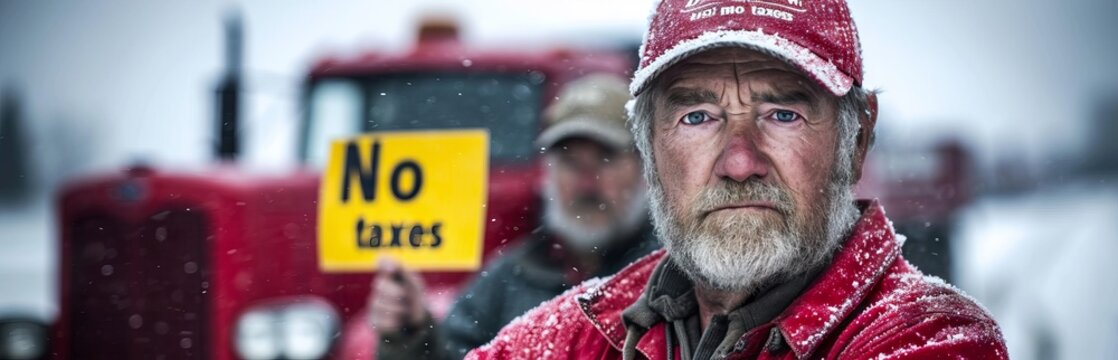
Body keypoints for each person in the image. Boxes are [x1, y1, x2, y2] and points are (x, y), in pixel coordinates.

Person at [466, 0, 1008, 359]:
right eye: (696, 118)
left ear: (858, 138)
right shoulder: (585, 329)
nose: (740, 162)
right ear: (650, 153)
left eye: (783, 114)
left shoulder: (928, 336)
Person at [368, 74, 659, 359]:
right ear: (548, 173)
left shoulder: (669, 273)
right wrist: (412, 334)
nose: (585, 183)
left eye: (604, 160)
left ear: (644, 167)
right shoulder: (508, 277)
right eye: (570, 162)